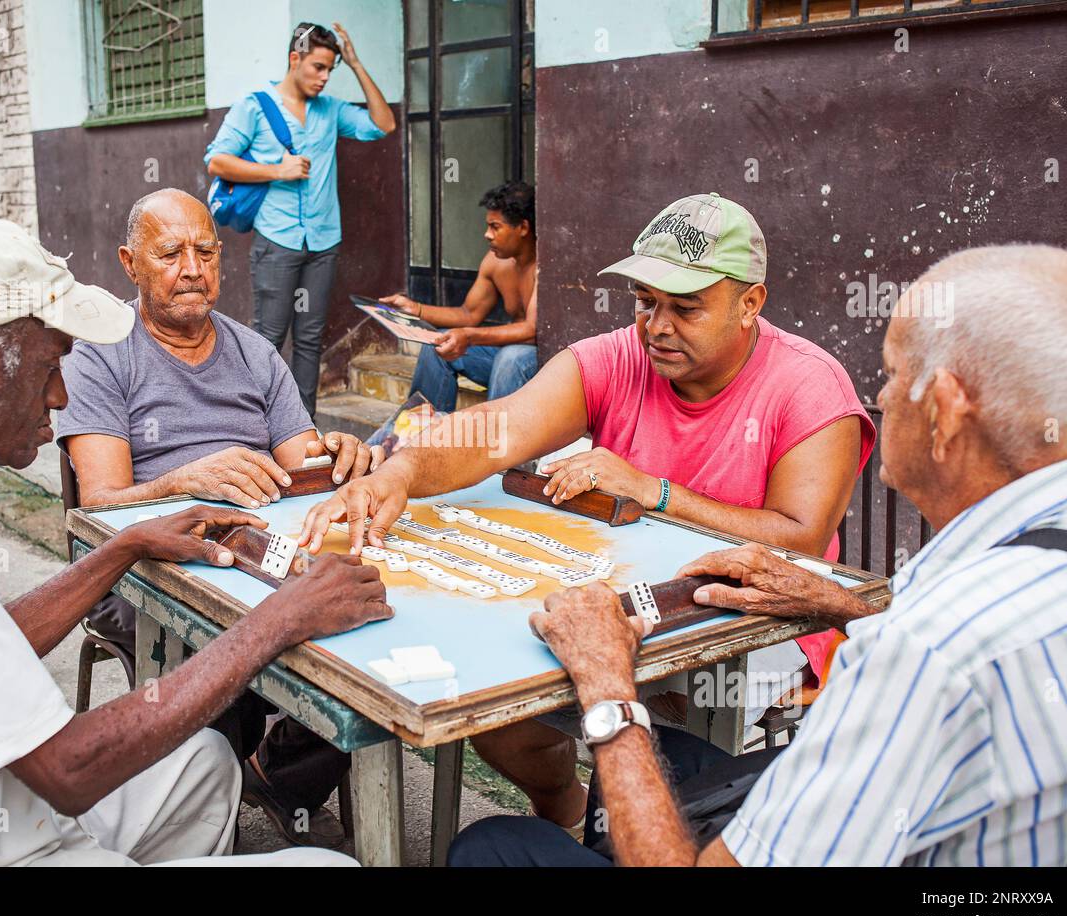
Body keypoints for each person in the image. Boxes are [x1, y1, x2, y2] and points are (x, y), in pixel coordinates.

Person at [448, 243, 1067, 866]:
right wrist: (844, 605)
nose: (879, 395)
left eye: (894, 376)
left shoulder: (922, 654)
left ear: (945, 409)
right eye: (647, 302)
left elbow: (930, 654)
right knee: (674, 755)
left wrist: (609, 691)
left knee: (493, 847)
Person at [0, 215, 391, 866]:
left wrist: (124, 547)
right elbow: (67, 771)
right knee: (331, 867)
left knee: (202, 762)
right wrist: (278, 621)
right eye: (53, 367)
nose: (60, 395)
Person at [300, 193, 875, 832]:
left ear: (750, 303)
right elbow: (498, 427)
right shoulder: (617, 356)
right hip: (617, 599)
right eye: (645, 302)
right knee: (494, 706)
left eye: (685, 308)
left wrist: (653, 490)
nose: (657, 326)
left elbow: (800, 538)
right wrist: (402, 471)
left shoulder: (810, 385)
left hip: (759, 636)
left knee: (662, 745)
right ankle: (564, 812)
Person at [57, 188, 384, 849]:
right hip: (146, 569)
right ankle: (208, 822)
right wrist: (182, 482)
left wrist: (344, 459)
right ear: (130, 262)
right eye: (170, 252)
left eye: (205, 252)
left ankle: (280, 774)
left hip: (255, 553)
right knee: (226, 643)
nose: (192, 268)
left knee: (359, 621)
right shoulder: (101, 352)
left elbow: (304, 466)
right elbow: (96, 504)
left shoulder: (254, 354)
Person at [204, 21, 395, 417]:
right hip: (277, 241)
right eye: (318, 68)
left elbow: (383, 125)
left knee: (309, 340)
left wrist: (357, 65)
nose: (325, 78)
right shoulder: (255, 106)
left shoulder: (330, 111)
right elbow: (217, 161)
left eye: (331, 70)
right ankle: (255, 424)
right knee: (268, 338)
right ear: (296, 59)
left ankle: (302, 429)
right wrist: (278, 170)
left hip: (324, 242)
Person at [382, 181, 540, 412]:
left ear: (523, 228)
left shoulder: (545, 264)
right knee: (436, 345)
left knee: (511, 357)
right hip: (504, 361)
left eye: (495, 227)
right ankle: (420, 433)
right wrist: (415, 309)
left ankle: (492, 445)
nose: (487, 235)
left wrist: (468, 336)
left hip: (541, 363)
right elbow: (469, 314)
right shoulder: (495, 262)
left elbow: (532, 331)